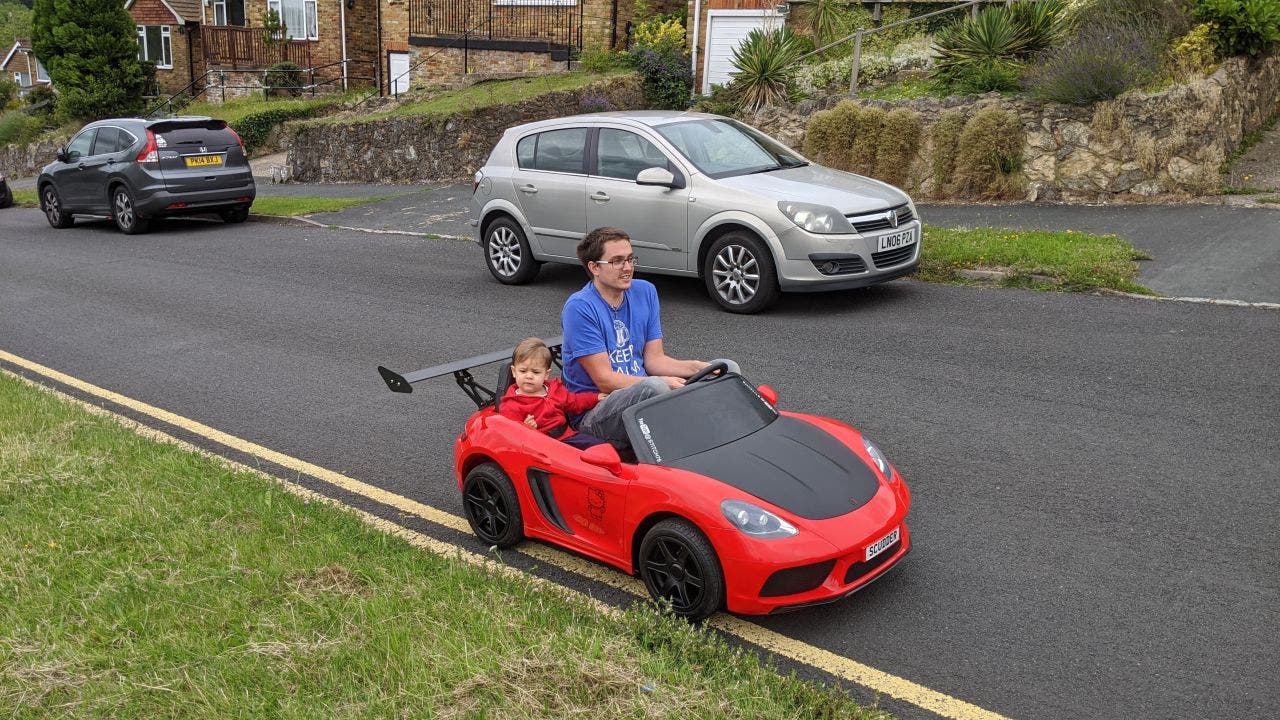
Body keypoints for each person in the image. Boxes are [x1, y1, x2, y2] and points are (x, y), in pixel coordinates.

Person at [561, 226, 737, 447]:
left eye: (630, 259)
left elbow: (654, 360)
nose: (627, 268)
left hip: (644, 394)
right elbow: (604, 379)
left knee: (726, 367)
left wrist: (697, 368)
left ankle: (727, 438)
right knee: (656, 389)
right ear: (594, 267)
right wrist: (661, 383)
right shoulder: (580, 307)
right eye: (617, 261)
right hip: (595, 412)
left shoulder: (645, 292)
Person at [497, 337, 608, 451]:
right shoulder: (511, 405)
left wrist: (595, 397)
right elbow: (509, 435)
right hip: (541, 447)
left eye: (535, 372)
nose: (529, 376)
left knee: (601, 448)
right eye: (523, 371)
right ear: (514, 372)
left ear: (546, 374)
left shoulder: (554, 390)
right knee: (578, 462)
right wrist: (526, 428)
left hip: (567, 437)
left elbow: (574, 401)